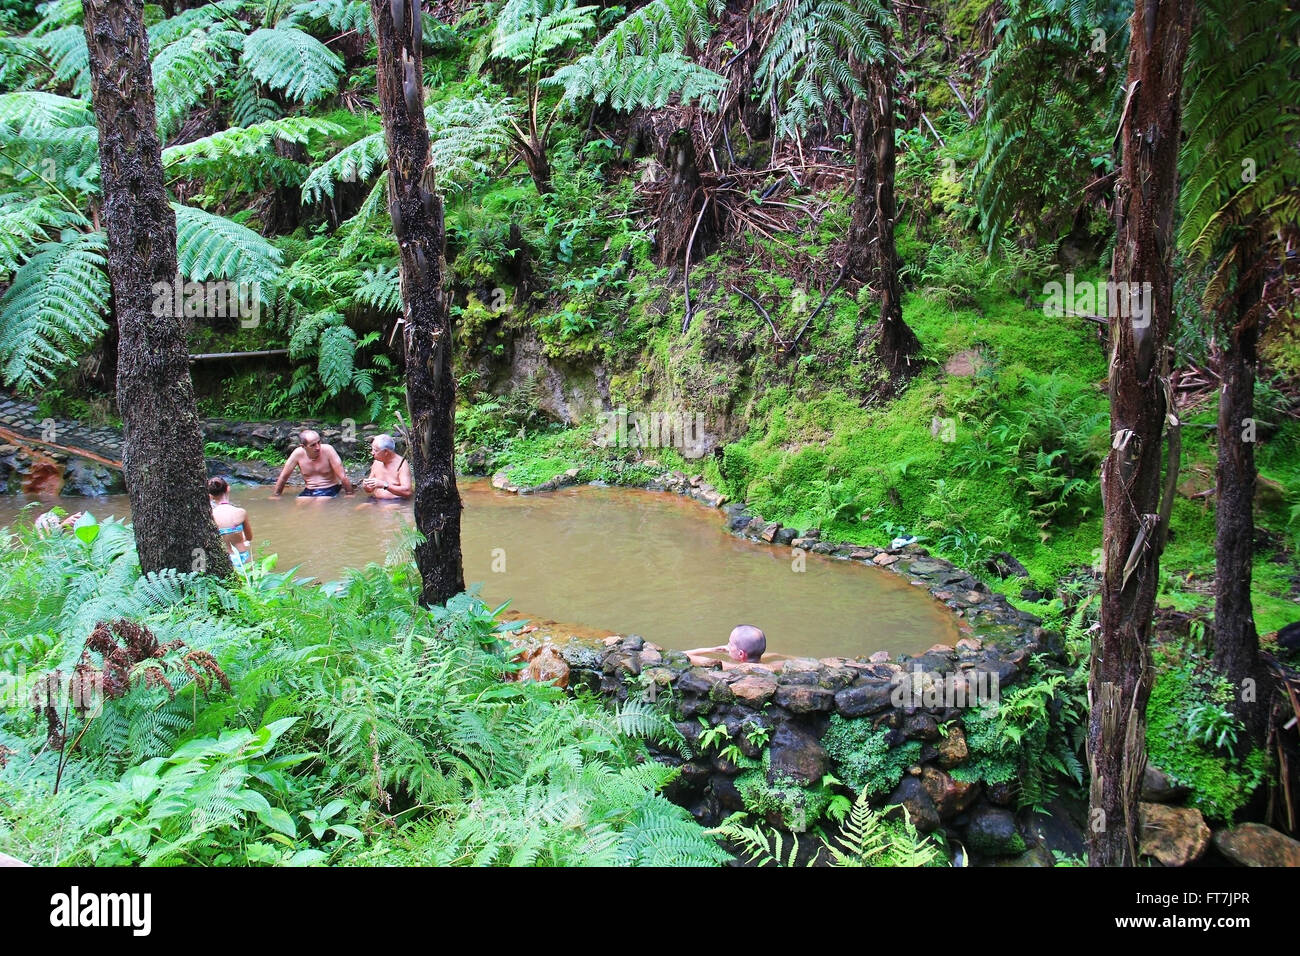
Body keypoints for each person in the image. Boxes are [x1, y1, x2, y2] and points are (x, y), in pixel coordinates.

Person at [271, 429, 353, 498]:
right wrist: (276, 495)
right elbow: (283, 477)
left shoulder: (328, 450)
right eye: (313, 445)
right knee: (298, 506)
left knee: (319, 504)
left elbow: (343, 476)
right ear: (303, 446)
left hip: (330, 487)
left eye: (319, 442)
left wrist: (349, 494)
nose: (317, 447)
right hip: (309, 490)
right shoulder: (297, 454)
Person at [208, 477, 253, 568]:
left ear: (211, 495)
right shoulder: (241, 512)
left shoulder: (210, 515)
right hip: (243, 556)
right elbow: (249, 537)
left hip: (225, 558)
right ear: (228, 488)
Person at [360, 434, 412, 500]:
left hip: (396, 502)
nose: (372, 453)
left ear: (386, 452)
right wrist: (366, 486)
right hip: (376, 499)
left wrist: (384, 485)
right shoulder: (377, 462)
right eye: (372, 449)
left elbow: (407, 492)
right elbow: (369, 490)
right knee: (358, 508)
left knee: (385, 509)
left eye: (375, 450)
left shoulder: (402, 464)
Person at [684, 625, 767, 665]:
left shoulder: (728, 667)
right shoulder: (770, 666)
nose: (727, 645)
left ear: (741, 654)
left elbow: (681, 655)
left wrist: (711, 650)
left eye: (730, 643)